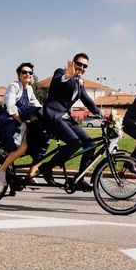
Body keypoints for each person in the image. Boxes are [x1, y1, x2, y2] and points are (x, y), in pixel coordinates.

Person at [39, 52, 104, 191]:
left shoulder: (80, 83)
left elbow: (87, 100)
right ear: (73, 63)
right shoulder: (61, 73)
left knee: (91, 144)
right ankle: (47, 167)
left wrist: (103, 115)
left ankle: (80, 179)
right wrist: (67, 75)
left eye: (85, 66)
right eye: (79, 64)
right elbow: (59, 80)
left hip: (66, 118)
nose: (81, 67)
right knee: (75, 142)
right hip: (53, 117)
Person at [0, 62, 50, 189]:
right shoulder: (13, 86)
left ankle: (31, 175)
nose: (27, 74)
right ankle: (1, 171)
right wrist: (22, 123)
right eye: (24, 72)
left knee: (42, 143)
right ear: (19, 74)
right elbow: (10, 107)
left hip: (21, 120)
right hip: (8, 120)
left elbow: (37, 105)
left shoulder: (29, 89)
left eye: (30, 72)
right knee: (22, 147)